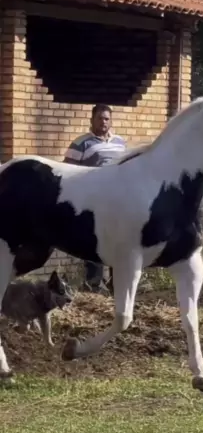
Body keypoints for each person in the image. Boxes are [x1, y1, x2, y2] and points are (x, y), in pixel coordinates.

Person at [64, 104, 127, 292]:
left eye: (106, 118)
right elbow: (67, 171)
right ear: (91, 120)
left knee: (118, 240)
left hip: (117, 200)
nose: (103, 122)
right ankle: (94, 285)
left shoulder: (120, 142)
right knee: (96, 240)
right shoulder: (81, 143)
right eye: (99, 118)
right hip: (93, 200)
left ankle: (117, 284)